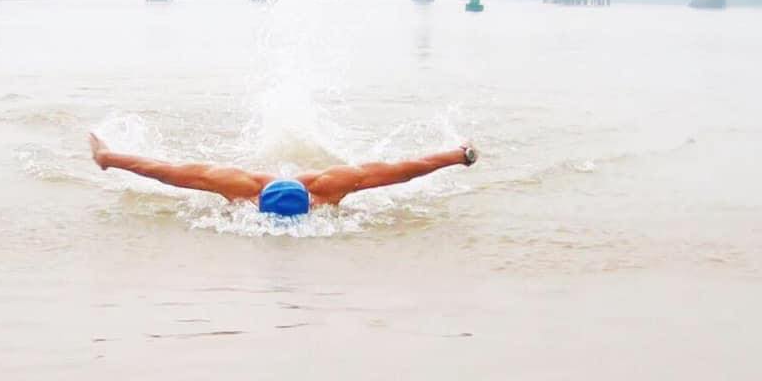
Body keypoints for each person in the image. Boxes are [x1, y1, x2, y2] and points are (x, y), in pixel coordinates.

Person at [89, 133, 476, 216]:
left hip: (311, 179)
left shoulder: (331, 185)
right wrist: (109, 158)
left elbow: (404, 172)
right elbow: (165, 173)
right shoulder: (238, 185)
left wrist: (460, 156)